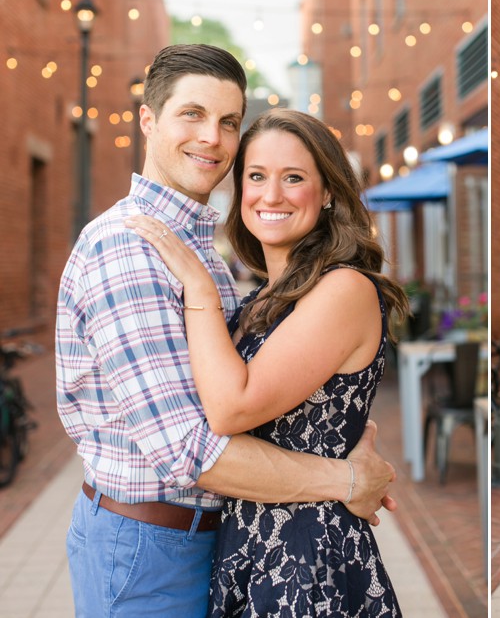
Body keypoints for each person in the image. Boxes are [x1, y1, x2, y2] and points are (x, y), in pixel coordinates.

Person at [56, 45, 396, 617]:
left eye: (229, 122)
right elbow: (192, 447)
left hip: (242, 546)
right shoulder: (130, 247)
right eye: (192, 114)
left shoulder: (202, 255)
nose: (212, 137)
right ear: (148, 119)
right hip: (151, 547)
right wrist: (346, 477)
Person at [126, 107, 410, 616]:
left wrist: (197, 287)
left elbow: (232, 409)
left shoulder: (343, 288)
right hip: (246, 549)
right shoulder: (264, 298)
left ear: (327, 193)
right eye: (255, 176)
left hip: (306, 564)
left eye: (294, 178)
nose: (270, 195)